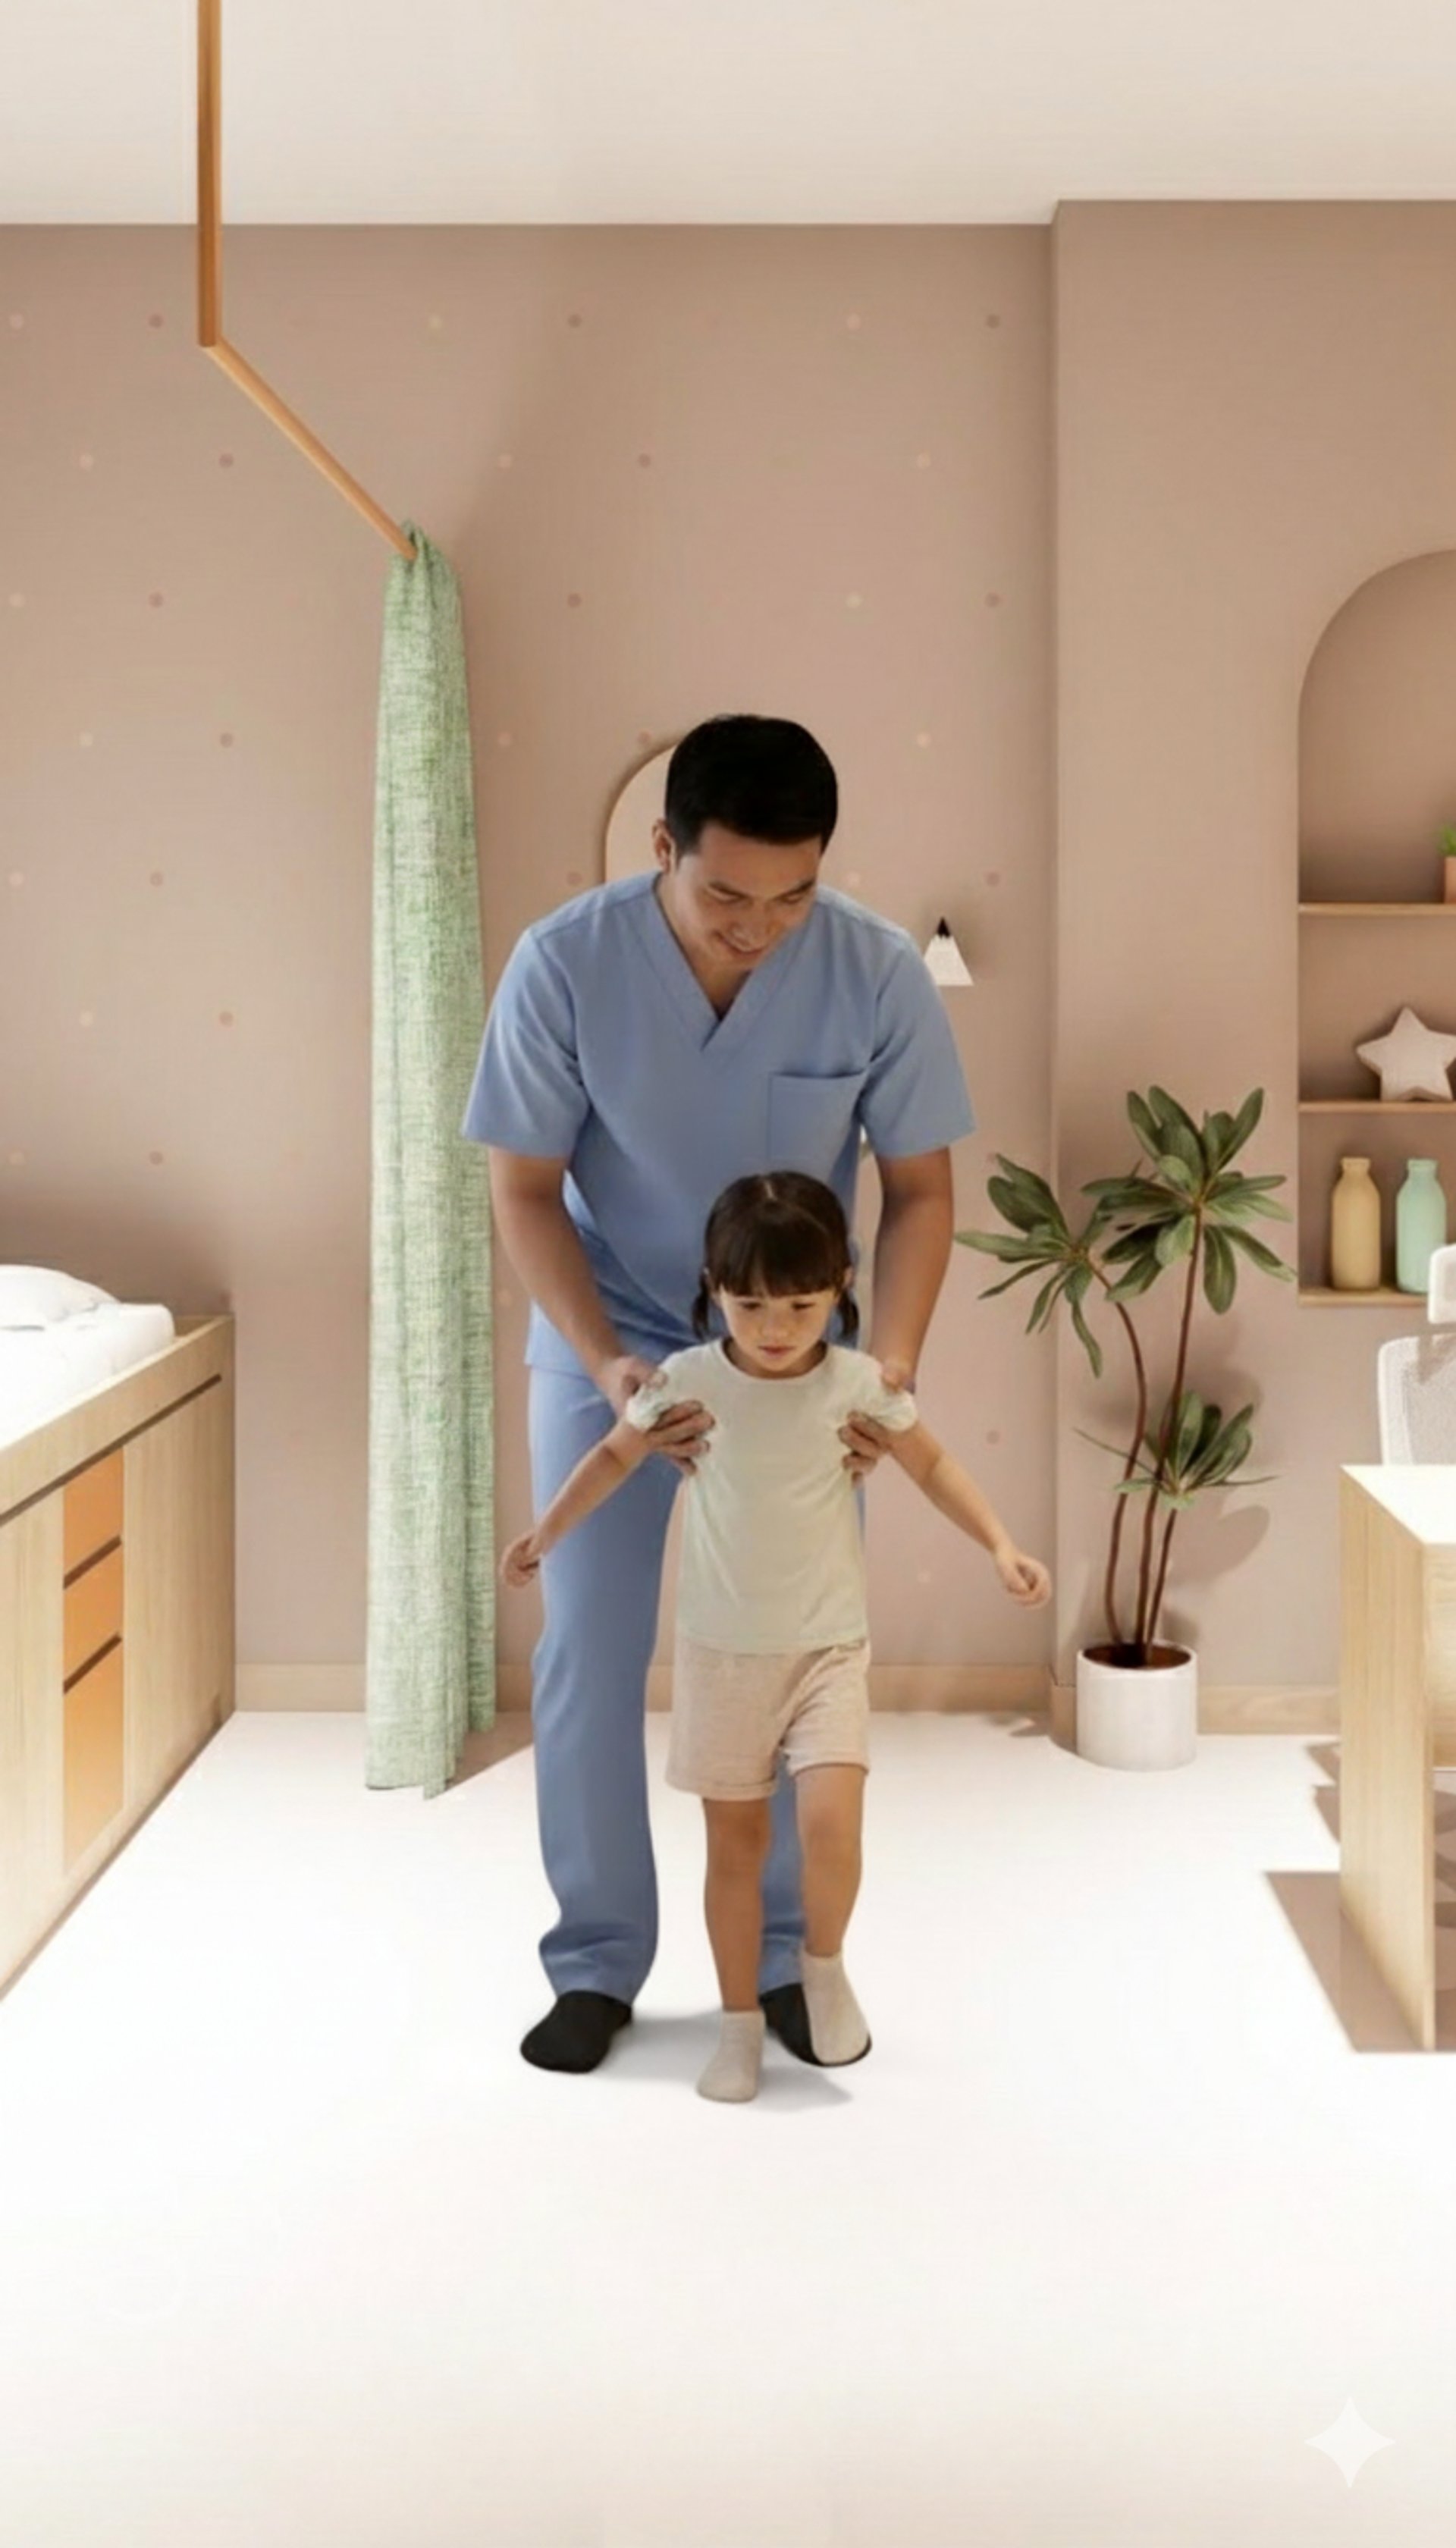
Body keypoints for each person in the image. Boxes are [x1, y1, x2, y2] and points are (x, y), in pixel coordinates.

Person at [465, 712, 977, 2074]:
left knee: (802, 1655)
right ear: (663, 852)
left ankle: (792, 1963)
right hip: (614, 1344)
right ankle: (597, 1963)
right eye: (727, 896)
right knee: (586, 1651)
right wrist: (606, 1365)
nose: (761, 928)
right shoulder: (564, 961)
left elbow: (923, 1192)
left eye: (794, 896)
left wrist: (895, 1373)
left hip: (803, 1371)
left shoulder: (871, 970)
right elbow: (523, 1188)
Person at [500, 1172, 1051, 2101]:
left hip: (828, 1652)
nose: (774, 1324)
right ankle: (738, 2025)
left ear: (841, 1286)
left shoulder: (859, 1385)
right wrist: (547, 1533)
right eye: (749, 1302)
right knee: (737, 1849)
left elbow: (933, 1464)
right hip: (723, 1661)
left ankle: (822, 1964)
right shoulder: (687, 1384)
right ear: (713, 1288)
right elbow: (610, 1458)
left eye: (801, 1303)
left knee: (833, 1824)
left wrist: (1001, 1544)